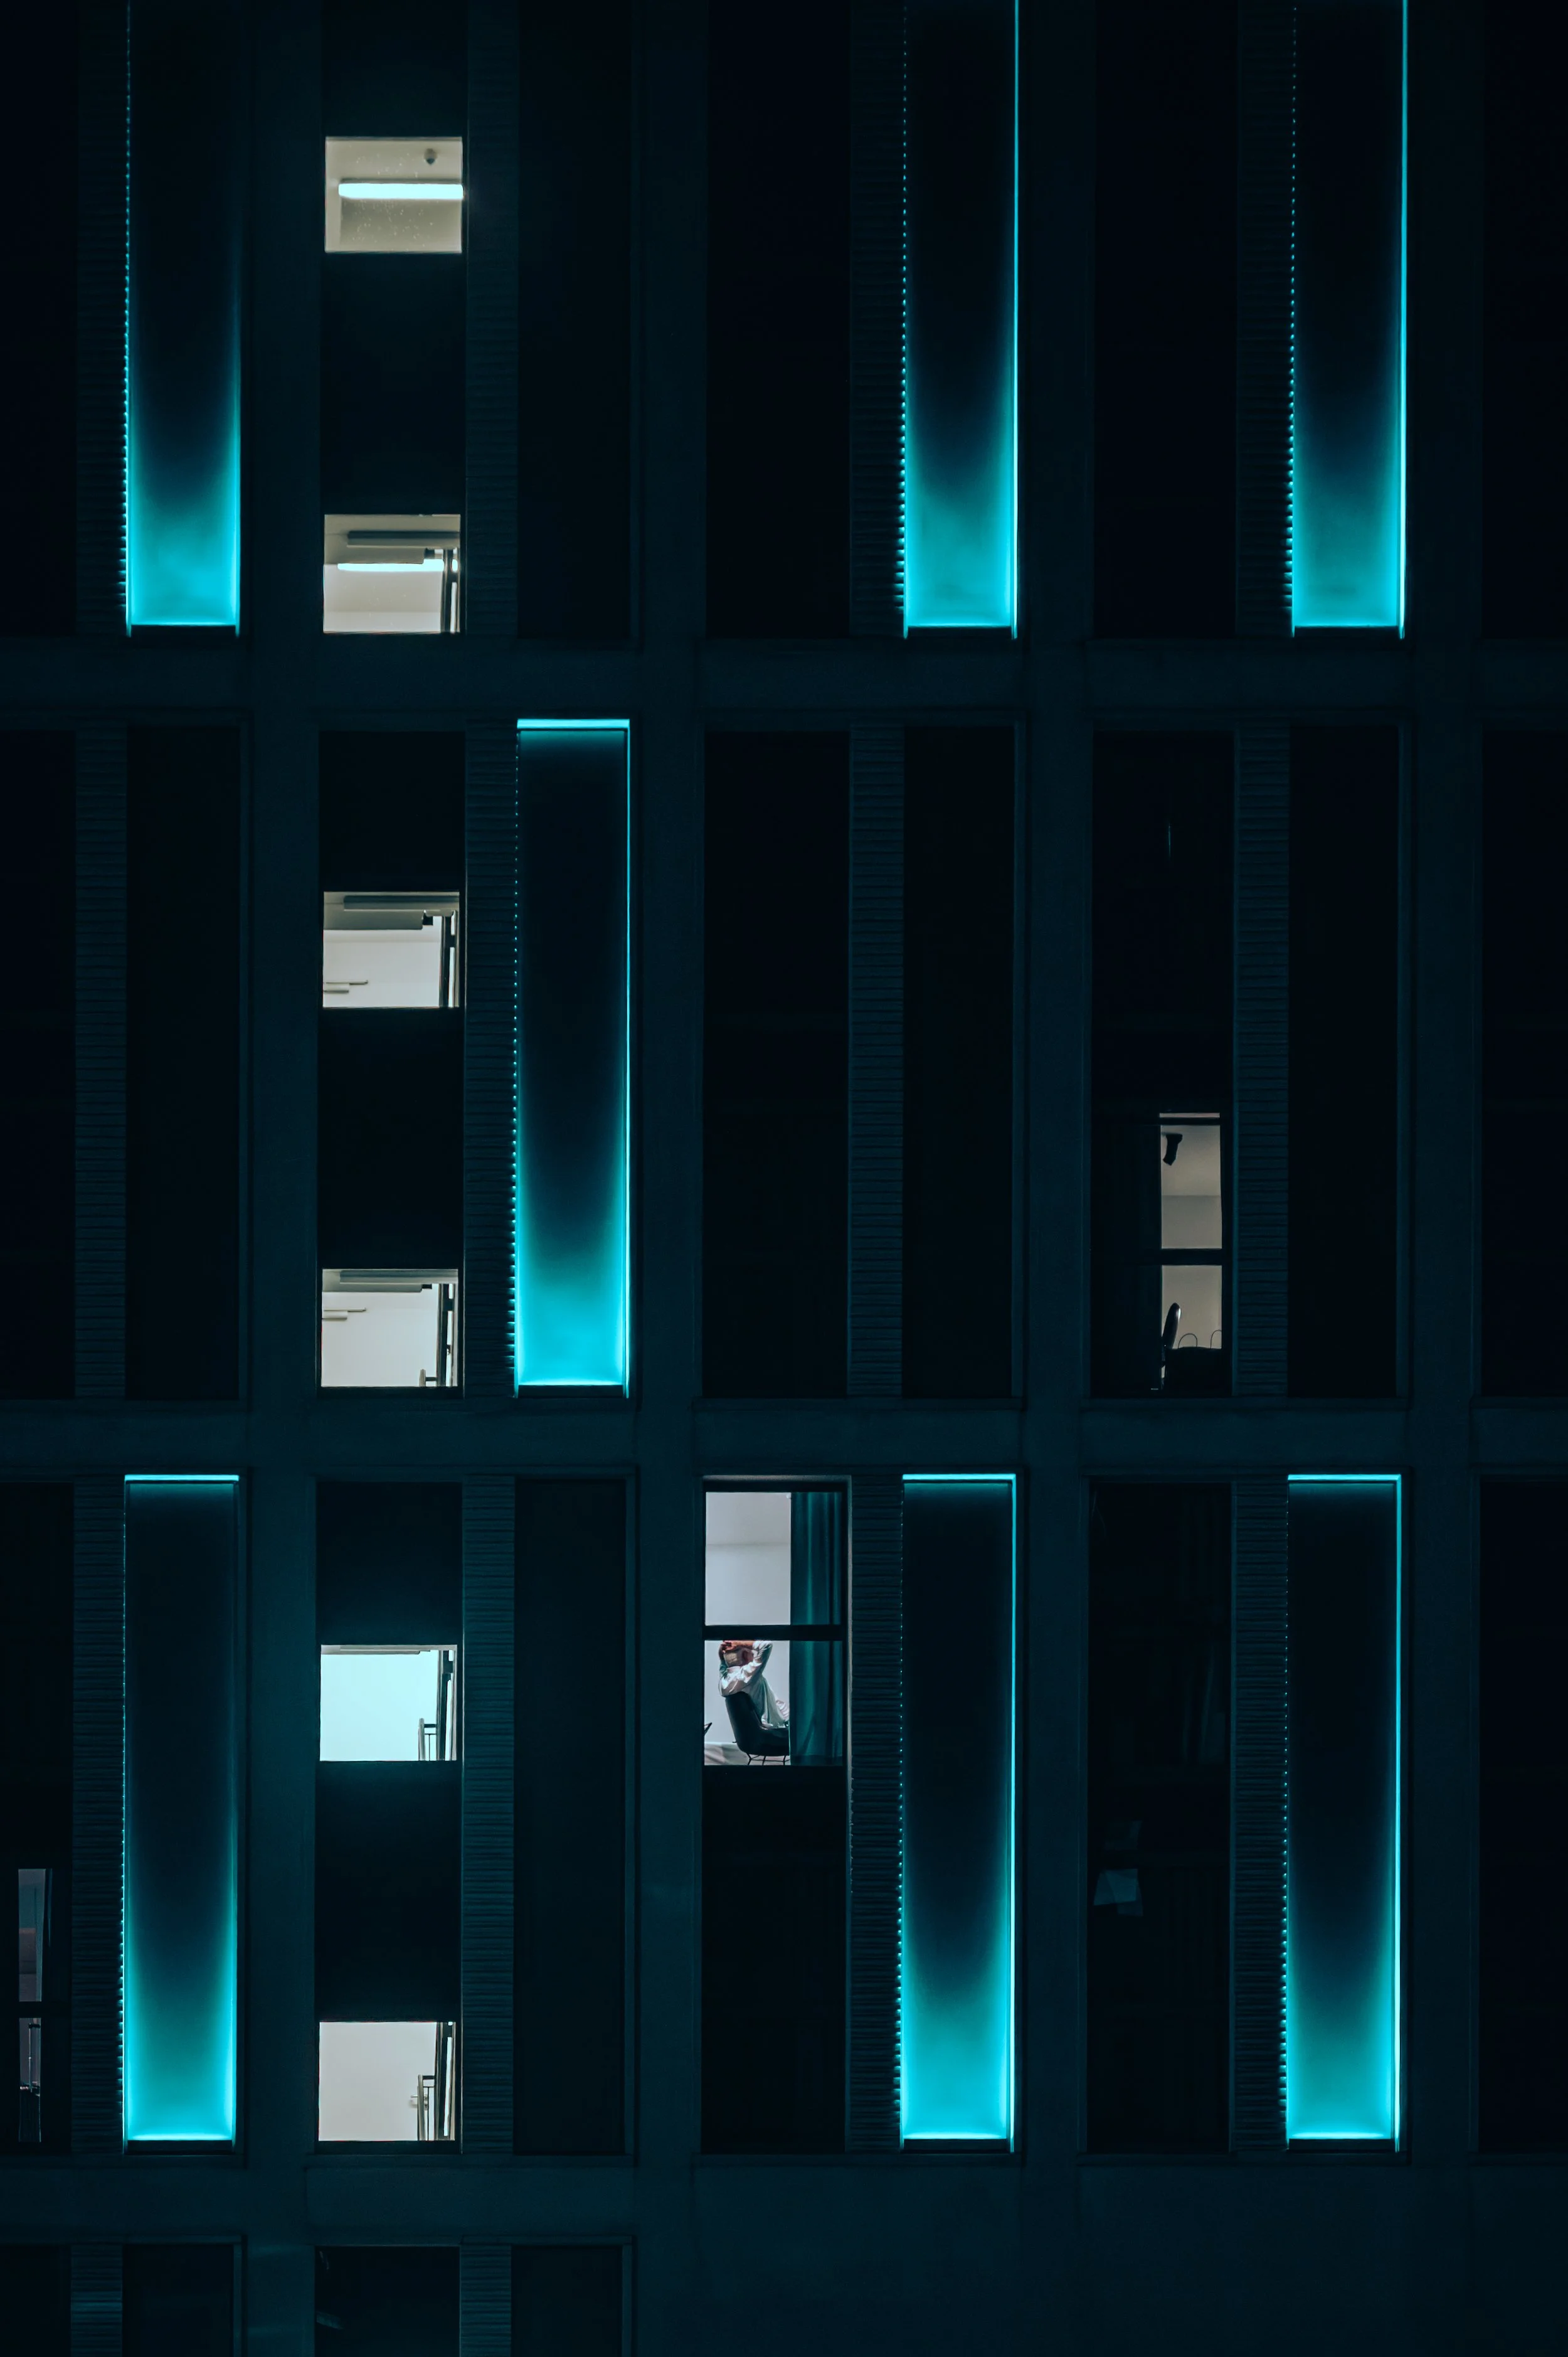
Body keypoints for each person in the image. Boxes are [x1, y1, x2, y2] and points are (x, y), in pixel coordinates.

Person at [717, 1637, 789, 1757]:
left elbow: (724, 1665)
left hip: (753, 1738)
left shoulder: (725, 1682)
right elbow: (767, 1645)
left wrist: (723, 1653)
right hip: (772, 1730)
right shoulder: (746, 1676)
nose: (754, 1655)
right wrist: (740, 1643)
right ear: (746, 1656)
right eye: (752, 1653)